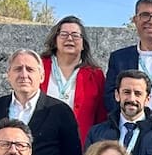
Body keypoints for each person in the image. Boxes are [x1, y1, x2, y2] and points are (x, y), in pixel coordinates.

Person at [40, 15, 108, 144]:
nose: (69, 38)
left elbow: (101, 116)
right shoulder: (39, 67)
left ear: (83, 44)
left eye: (75, 35)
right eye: (64, 34)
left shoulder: (95, 74)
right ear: (55, 40)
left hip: (80, 146)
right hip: (42, 144)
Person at [86, 69, 152, 155]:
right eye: (126, 92)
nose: (132, 99)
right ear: (117, 95)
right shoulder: (96, 134)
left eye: (138, 93)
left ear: (147, 99)